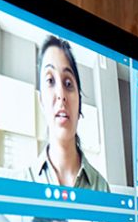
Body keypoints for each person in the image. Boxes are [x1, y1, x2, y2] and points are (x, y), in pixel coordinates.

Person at [28, 35, 111, 192]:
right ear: (41, 101)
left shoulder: (101, 188)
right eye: (50, 81)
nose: (61, 94)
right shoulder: (23, 183)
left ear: (79, 102)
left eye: (68, 83)